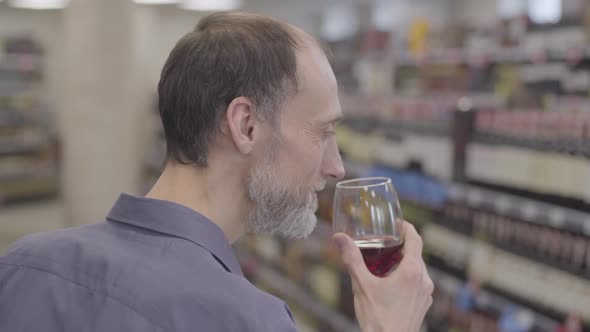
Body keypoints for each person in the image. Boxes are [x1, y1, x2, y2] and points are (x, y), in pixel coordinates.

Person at [0, 12, 433, 331]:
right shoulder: (247, 320)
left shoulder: (22, 264)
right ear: (245, 125)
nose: (335, 166)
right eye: (323, 133)